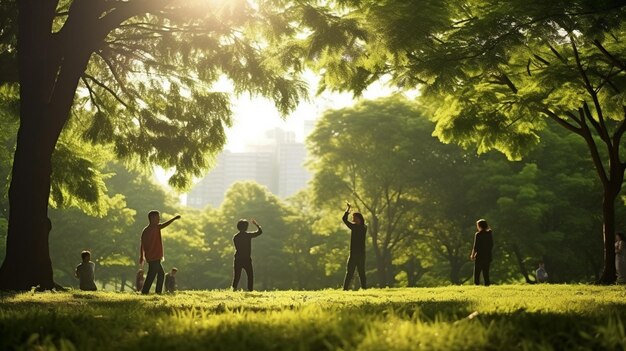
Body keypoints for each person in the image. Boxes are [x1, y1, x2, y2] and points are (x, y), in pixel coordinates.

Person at [139, 211, 181, 294]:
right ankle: (146, 292)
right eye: (158, 217)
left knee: (160, 274)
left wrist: (142, 256)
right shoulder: (153, 228)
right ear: (152, 218)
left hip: (153, 257)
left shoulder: (146, 230)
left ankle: (155, 292)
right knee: (152, 275)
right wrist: (174, 218)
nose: (159, 219)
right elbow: (164, 225)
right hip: (153, 257)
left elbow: (142, 244)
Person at [342, 202, 367, 290]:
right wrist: (348, 210)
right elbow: (344, 219)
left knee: (360, 272)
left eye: (354, 218)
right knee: (351, 272)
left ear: (359, 219)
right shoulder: (362, 227)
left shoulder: (359, 227)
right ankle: (345, 289)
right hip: (356, 254)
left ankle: (362, 288)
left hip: (358, 254)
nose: (353, 219)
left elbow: (344, 219)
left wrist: (348, 210)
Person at [232, 218, 262, 291]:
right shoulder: (248, 235)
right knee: (250, 275)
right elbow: (259, 232)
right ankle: (250, 289)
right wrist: (256, 225)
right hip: (246, 259)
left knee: (237, 275)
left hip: (238, 258)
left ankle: (234, 288)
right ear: (246, 227)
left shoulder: (235, 237)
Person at [470, 219, 493, 286]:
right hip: (488, 256)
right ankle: (487, 284)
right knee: (486, 272)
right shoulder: (489, 234)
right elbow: (491, 245)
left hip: (480, 256)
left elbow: (475, 246)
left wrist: (472, 255)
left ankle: (476, 284)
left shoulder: (478, 234)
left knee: (477, 272)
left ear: (479, 226)